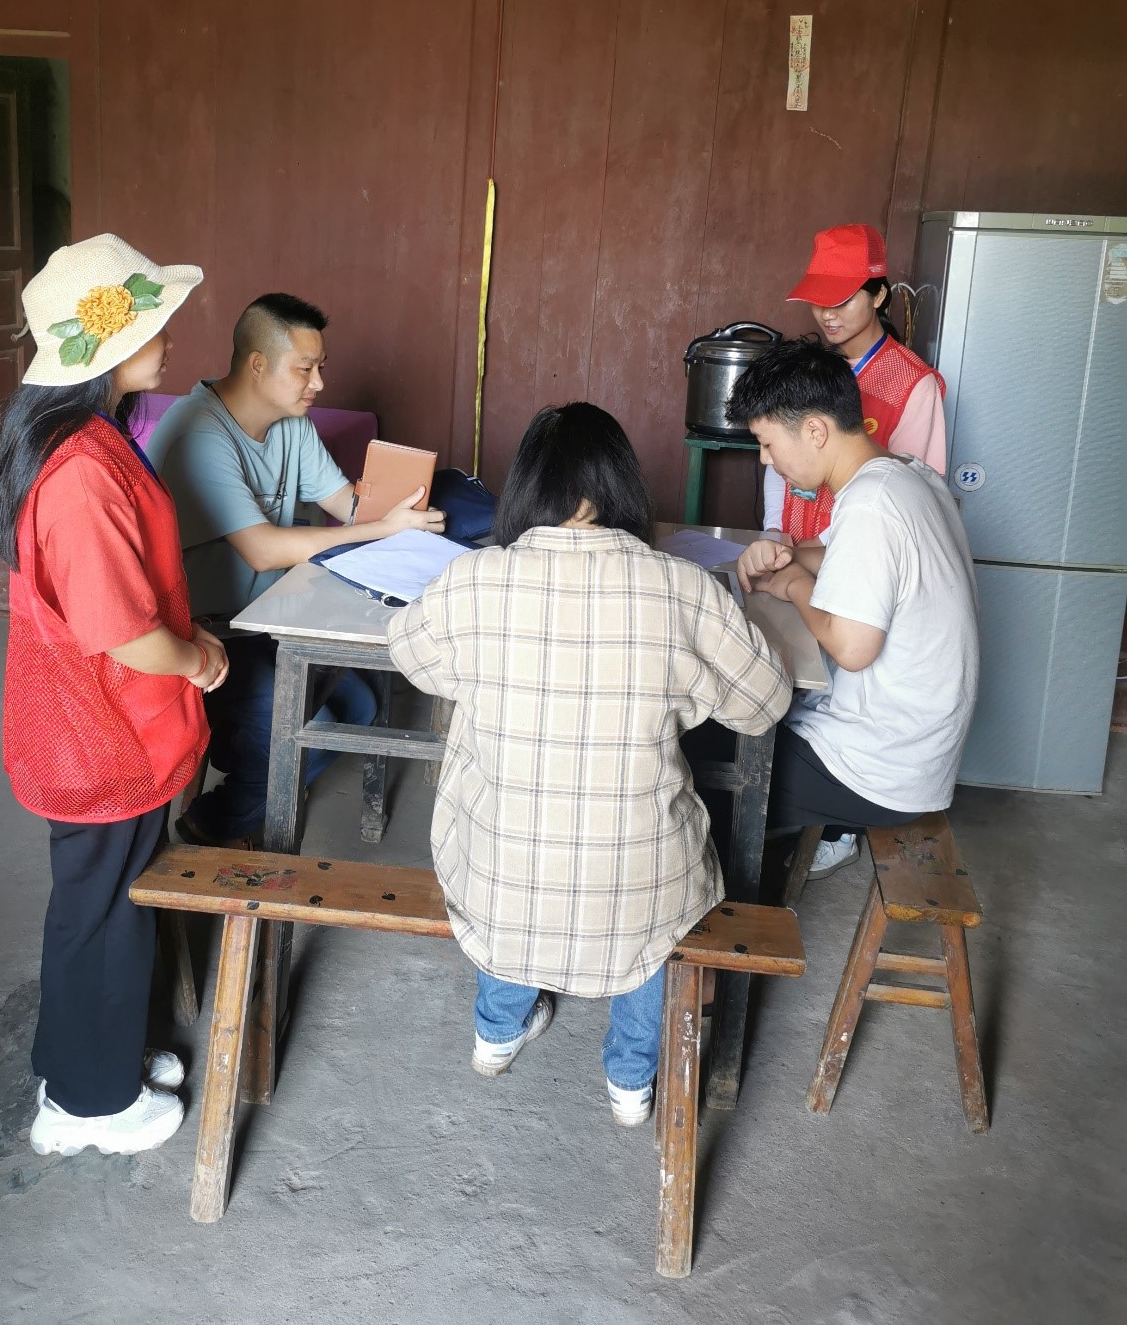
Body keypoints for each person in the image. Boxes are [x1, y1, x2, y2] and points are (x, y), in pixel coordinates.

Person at [385, 403, 791, 1126]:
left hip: (501, 873)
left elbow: (411, 656)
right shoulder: (682, 587)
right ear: (622, 488)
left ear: (525, 489)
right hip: (640, 880)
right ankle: (630, 1081)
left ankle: (496, 1032)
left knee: (505, 861)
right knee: (654, 910)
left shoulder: (472, 580)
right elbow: (764, 704)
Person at [0, 233, 228, 1159]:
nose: (168, 339)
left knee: (105, 900)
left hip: (101, 720)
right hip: (101, 730)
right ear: (109, 345)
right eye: (154, 325)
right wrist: (196, 659)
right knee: (102, 912)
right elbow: (122, 631)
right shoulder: (83, 469)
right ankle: (89, 1104)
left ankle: (91, 1058)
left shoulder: (88, 438)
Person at [148, 293, 445, 846]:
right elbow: (262, 550)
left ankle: (236, 798)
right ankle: (215, 823)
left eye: (320, 367)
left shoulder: (291, 422)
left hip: (269, 623)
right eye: (305, 369)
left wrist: (401, 507)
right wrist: (382, 529)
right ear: (258, 365)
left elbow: (347, 505)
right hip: (205, 641)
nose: (319, 384)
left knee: (362, 703)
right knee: (318, 731)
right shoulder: (200, 434)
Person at [728, 340, 978, 880]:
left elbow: (853, 647)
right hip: (916, 750)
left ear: (815, 431)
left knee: (710, 768)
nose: (766, 460)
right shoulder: (905, 475)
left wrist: (796, 585)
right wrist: (789, 555)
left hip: (879, 768)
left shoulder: (871, 503)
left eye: (768, 444)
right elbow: (853, 557)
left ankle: (737, 913)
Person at [763, 223, 946, 544]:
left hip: (859, 548)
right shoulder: (808, 368)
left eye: (842, 300)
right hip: (790, 545)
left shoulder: (914, 384)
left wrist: (817, 547)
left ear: (878, 296)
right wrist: (774, 532)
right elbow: (778, 453)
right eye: (818, 300)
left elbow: (907, 488)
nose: (827, 314)